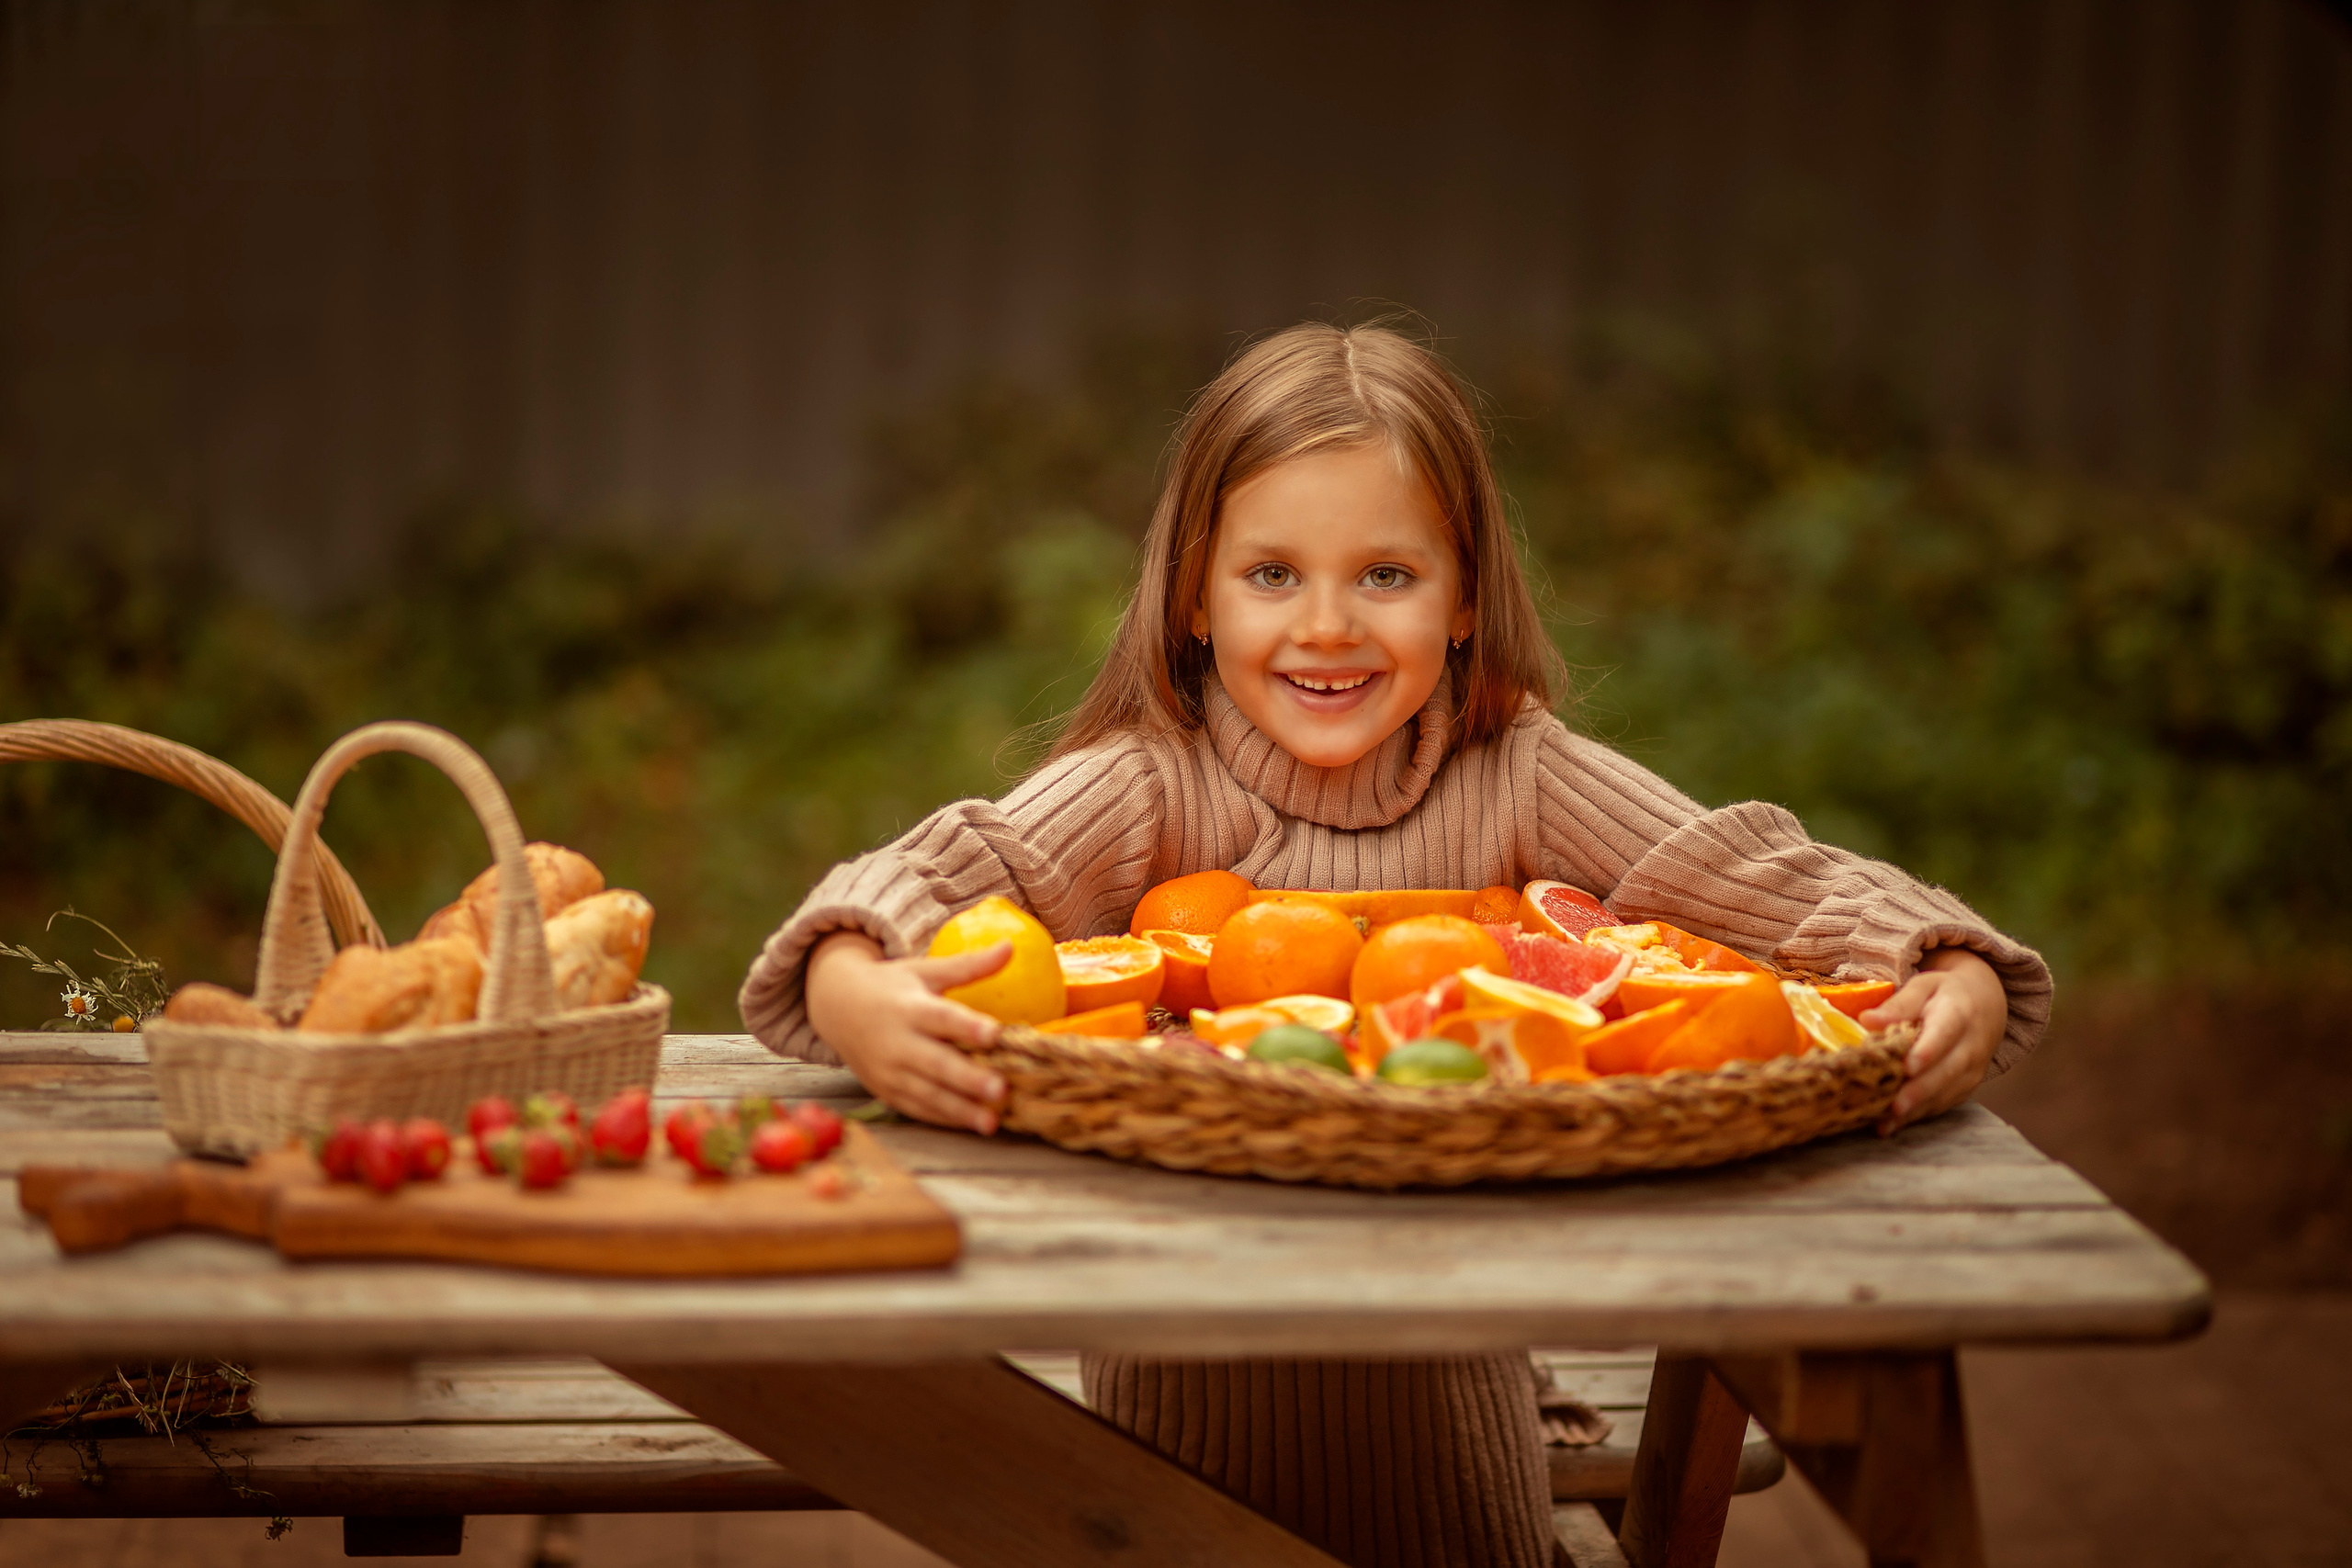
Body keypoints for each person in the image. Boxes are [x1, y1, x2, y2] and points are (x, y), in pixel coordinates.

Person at [741, 321, 2051, 1567]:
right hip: (1161, 1475)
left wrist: (1950, 962)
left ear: (1465, 599)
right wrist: (853, 981)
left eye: (1386, 574)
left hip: (1458, 1465)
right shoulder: (1149, 787)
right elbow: (934, 868)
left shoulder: (1520, 780)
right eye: (1271, 575)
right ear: (1192, 600)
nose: (1326, 626)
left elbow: (1755, 875)